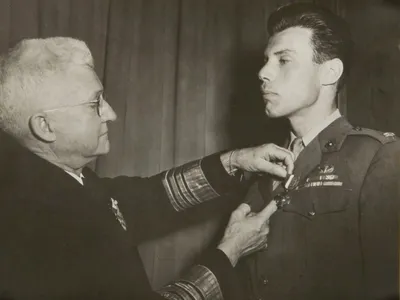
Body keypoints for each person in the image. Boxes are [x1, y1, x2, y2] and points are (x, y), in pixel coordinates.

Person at [0, 37, 295, 300]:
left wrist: (234, 163)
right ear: (44, 126)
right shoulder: (44, 223)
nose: (111, 113)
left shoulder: (55, 181)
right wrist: (230, 252)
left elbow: (140, 199)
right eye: (94, 104)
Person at [238, 3, 400, 300]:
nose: (263, 72)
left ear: (329, 72)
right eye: (266, 60)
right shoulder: (261, 167)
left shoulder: (377, 156)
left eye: (283, 60)